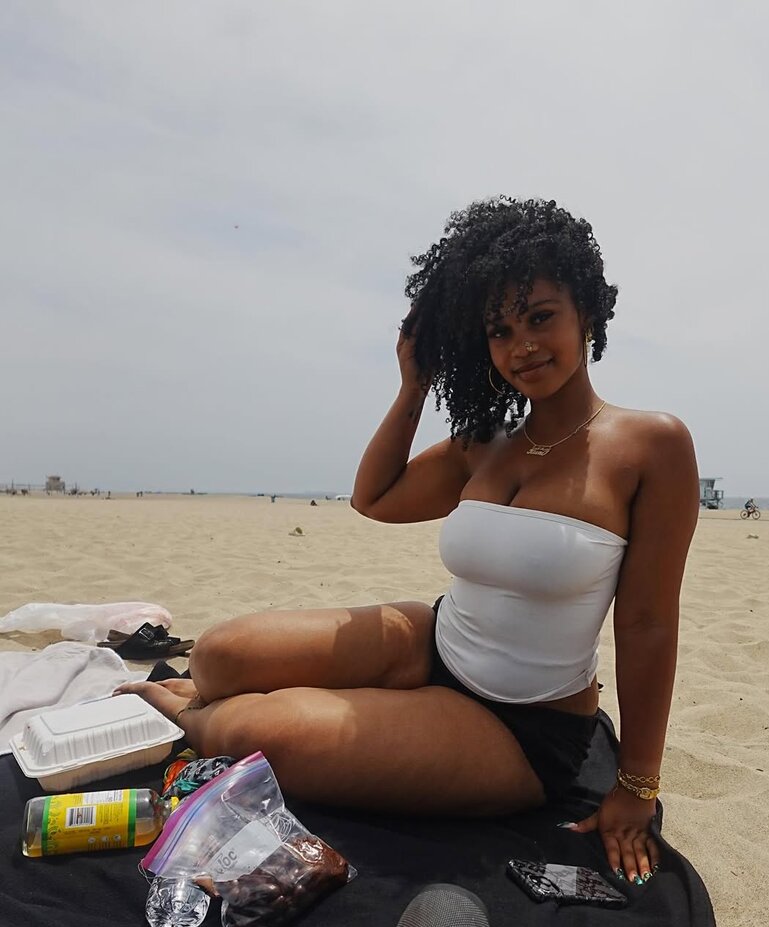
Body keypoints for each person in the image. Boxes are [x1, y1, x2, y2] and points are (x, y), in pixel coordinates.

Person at [116, 197, 698, 886]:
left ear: (587, 314)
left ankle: (188, 715)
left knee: (254, 733)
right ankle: (204, 695)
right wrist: (413, 387)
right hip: (431, 640)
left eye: (541, 317)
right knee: (219, 653)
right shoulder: (486, 445)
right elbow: (376, 497)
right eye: (500, 330)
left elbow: (647, 623)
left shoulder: (651, 445)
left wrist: (637, 784)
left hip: (521, 728)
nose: (522, 347)